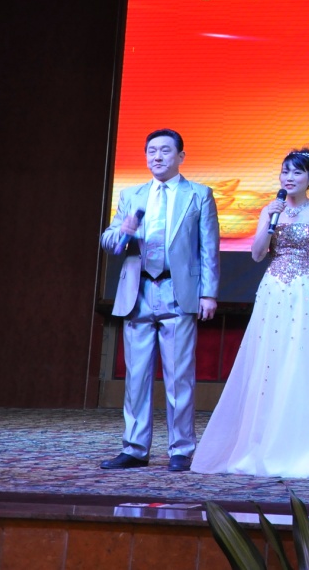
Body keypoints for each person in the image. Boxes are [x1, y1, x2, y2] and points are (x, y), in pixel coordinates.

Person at [191, 148, 309, 478]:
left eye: (297, 172)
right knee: (267, 363)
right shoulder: (270, 210)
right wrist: (269, 224)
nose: (289, 177)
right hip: (273, 289)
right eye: (285, 171)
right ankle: (260, 444)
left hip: (305, 290)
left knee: (300, 362)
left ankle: (298, 449)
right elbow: (257, 255)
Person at [100, 128, 220, 472]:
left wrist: (209, 293)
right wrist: (123, 232)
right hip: (138, 291)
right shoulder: (132, 194)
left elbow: (208, 248)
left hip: (177, 291)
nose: (157, 156)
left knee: (179, 375)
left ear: (181, 156)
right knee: (136, 376)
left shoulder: (199, 194)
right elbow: (110, 242)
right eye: (151, 150)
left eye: (165, 150)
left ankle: (181, 448)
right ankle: (135, 448)